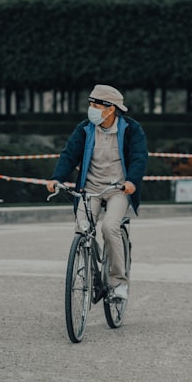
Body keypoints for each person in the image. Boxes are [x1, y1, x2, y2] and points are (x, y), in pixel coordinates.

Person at [46, 84, 148, 300]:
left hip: (118, 189)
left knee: (110, 227)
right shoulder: (85, 129)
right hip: (89, 189)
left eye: (95, 105)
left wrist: (131, 181)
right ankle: (91, 277)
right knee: (82, 229)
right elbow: (69, 154)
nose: (90, 108)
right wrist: (57, 178)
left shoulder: (131, 129)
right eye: (90, 103)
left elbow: (139, 157)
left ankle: (119, 283)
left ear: (110, 109)